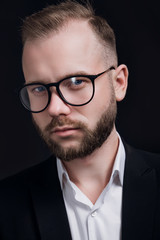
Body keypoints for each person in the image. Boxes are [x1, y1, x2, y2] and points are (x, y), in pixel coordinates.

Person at [0, 1, 160, 239]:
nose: (55, 108)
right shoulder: (5, 207)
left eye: (76, 82)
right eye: (38, 89)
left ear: (119, 83)